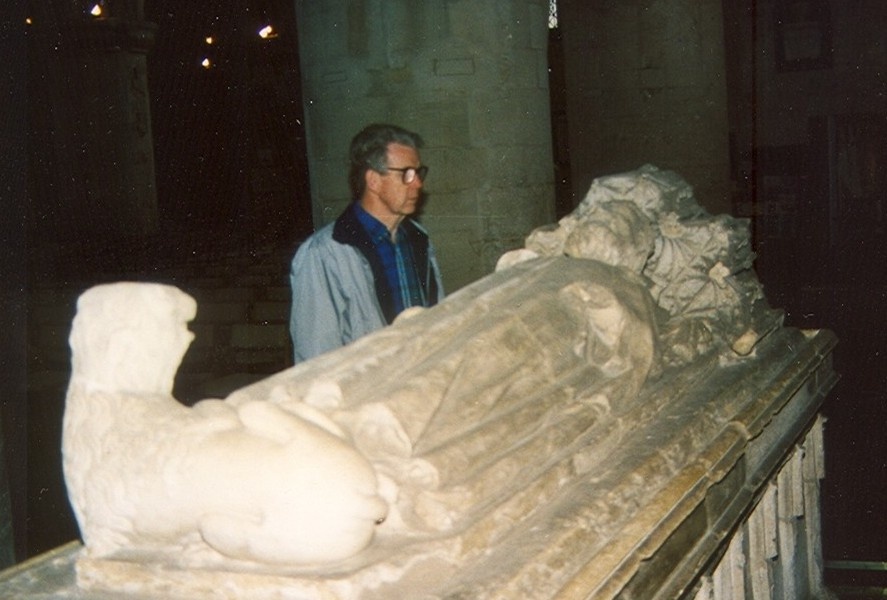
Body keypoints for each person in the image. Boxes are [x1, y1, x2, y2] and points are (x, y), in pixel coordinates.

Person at [289, 123, 444, 363]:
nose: (417, 184)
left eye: (419, 172)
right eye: (406, 174)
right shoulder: (325, 253)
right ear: (373, 180)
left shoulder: (418, 240)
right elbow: (316, 356)